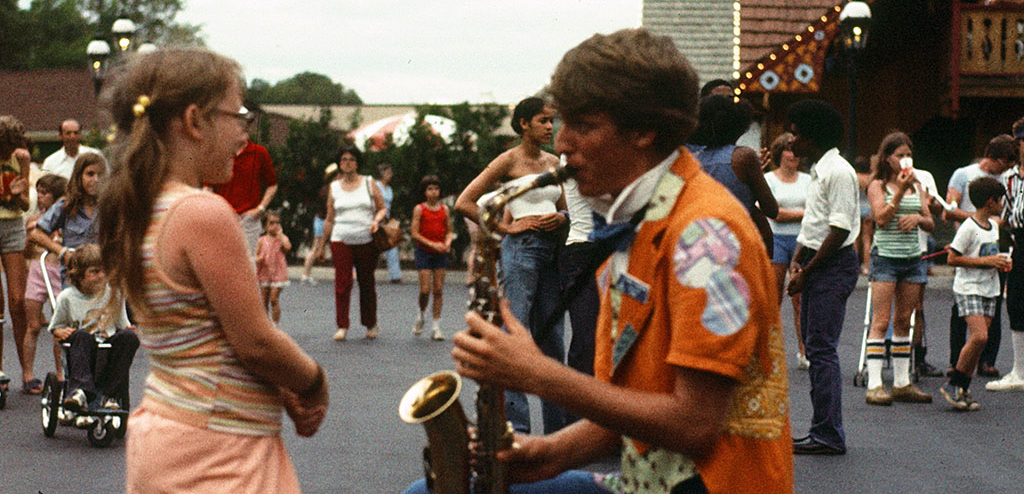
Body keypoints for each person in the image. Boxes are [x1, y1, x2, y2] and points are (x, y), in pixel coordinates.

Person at [406, 28, 793, 494]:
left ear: (644, 131)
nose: (562, 143)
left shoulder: (706, 235)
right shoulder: (638, 219)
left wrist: (539, 374)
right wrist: (550, 452)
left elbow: (693, 424)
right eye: (560, 123)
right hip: (651, 480)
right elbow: (633, 405)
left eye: (583, 126)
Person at [96, 47, 327, 493]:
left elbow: (200, 338)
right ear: (194, 121)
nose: (244, 133)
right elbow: (256, 342)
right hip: (221, 453)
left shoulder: (145, 207)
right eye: (238, 116)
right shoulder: (202, 212)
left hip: (170, 432)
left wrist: (276, 385)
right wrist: (313, 381)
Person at [454, 96, 569, 435]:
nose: (549, 127)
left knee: (552, 337)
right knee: (514, 330)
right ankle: (516, 425)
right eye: (542, 121)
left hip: (553, 249)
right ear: (523, 124)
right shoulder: (508, 160)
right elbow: (465, 202)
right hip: (522, 249)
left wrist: (561, 217)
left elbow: (564, 205)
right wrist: (506, 228)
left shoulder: (553, 162)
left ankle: (556, 427)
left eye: (551, 120)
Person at [786, 99, 859, 455]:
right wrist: (797, 261)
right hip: (817, 262)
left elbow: (839, 230)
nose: (790, 141)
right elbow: (813, 224)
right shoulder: (819, 170)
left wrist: (808, 272)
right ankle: (822, 429)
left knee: (821, 349)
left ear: (811, 137)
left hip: (833, 265)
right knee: (816, 348)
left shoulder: (838, 172)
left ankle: (829, 434)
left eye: (796, 134)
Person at [862, 131, 934, 405]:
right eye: (900, 155)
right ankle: (875, 384)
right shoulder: (877, 185)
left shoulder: (918, 185)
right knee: (881, 321)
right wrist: (900, 192)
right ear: (887, 159)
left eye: (908, 155)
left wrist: (917, 218)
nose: (905, 160)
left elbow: (930, 222)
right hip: (886, 257)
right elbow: (880, 219)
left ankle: (902, 382)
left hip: (912, 258)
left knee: (904, 319)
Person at [944, 135, 1018, 377]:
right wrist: (978, 220)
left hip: (994, 242)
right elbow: (950, 209)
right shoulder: (964, 174)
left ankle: (984, 361)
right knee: (962, 315)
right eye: (1004, 163)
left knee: (991, 312)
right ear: (993, 158)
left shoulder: (1006, 180)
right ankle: (957, 362)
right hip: (969, 243)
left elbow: (1007, 216)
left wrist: (991, 224)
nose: (1006, 169)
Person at [942, 177, 1010, 410]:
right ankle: (953, 384)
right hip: (969, 287)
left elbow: (989, 254)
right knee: (979, 336)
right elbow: (953, 258)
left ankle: (963, 388)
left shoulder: (993, 227)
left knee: (980, 342)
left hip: (989, 288)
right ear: (991, 201)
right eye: (1000, 201)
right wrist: (986, 261)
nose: (1002, 205)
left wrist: (1000, 263)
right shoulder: (969, 227)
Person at [686, 94, 779, 257]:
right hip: (741, 241)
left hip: (705, 246)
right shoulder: (744, 156)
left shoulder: (692, 161)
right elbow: (771, 209)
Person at [48, 245, 137, 414]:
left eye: (104, 271)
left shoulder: (114, 294)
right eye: (95, 272)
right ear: (79, 275)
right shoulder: (67, 298)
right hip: (81, 345)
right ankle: (81, 391)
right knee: (82, 335)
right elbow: (56, 327)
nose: (101, 276)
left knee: (129, 337)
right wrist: (60, 332)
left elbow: (122, 324)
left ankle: (111, 394)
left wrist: (129, 330)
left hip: (107, 345)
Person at [323, 144, 386, 341]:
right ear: (339, 163)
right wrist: (321, 244)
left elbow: (382, 208)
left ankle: (370, 323)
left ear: (358, 163)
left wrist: (376, 221)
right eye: (344, 159)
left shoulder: (368, 182)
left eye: (352, 159)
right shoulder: (334, 187)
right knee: (342, 284)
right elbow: (329, 218)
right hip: (340, 239)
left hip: (366, 239)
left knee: (367, 283)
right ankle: (342, 325)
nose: (348, 163)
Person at [764, 132, 811, 369]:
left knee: (800, 300)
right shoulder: (769, 179)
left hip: (802, 241)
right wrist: (803, 213)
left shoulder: (808, 180)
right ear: (779, 154)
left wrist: (792, 213)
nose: (793, 155)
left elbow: (815, 210)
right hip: (776, 240)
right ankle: (770, 351)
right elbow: (774, 213)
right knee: (774, 300)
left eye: (795, 151)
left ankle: (804, 351)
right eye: (788, 150)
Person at [19, 173, 67, 393]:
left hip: (58, 272)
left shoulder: (64, 221)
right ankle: (27, 374)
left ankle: (61, 373)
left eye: (45, 193)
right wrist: (30, 239)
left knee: (60, 326)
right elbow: (26, 253)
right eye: (38, 192)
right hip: (38, 271)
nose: (40, 197)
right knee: (33, 326)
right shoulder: (34, 220)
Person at [30, 152, 105, 285]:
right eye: (90, 174)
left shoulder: (108, 207)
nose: (96, 180)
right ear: (79, 176)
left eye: (100, 175)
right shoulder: (66, 206)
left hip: (103, 275)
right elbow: (36, 233)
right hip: (74, 276)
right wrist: (62, 252)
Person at [988, 117, 1024, 392]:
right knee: (1016, 302)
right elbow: (1006, 216)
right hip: (1020, 240)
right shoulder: (1009, 178)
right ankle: (1019, 371)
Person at [0, 115, 31, 396]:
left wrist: (20, 193)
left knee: (18, 300)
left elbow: (25, 204)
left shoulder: (21, 158)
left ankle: (27, 371)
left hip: (12, 227)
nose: (9, 152)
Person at [209, 134, 277, 259]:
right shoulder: (220, 152)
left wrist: (260, 209)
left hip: (248, 220)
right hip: (223, 218)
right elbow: (208, 188)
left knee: (247, 263)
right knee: (220, 262)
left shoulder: (259, 152)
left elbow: (272, 185)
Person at [410, 175, 453, 341]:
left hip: (440, 252)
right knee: (425, 290)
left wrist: (447, 243)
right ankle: (421, 315)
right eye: (430, 189)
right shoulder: (419, 209)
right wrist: (432, 244)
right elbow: (415, 233)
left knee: (438, 289)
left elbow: (449, 231)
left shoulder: (444, 209)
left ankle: (436, 326)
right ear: (424, 191)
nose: (433, 192)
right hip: (424, 252)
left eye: (436, 189)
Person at [301, 163, 337, 285]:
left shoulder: (328, 189)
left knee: (323, 247)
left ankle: (306, 274)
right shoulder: (327, 191)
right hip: (323, 221)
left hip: (323, 220)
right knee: (316, 247)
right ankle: (305, 274)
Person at [257, 210, 291, 324]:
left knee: (274, 298)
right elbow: (256, 256)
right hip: (265, 273)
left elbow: (288, 247)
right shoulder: (261, 240)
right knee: (264, 300)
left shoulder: (282, 238)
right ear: (265, 226)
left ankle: (275, 324)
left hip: (278, 272)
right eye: (271, 223)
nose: (275, 226)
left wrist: (280, 235)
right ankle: (266, 324)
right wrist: (259, 259)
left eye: (277, 223)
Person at [377, 163, 402, 283]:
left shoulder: (389, 189)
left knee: (392, 245)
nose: (390, 175)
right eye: (388, 173)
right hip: (376, 219)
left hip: (386, 220)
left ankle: (395, 275)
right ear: (382, 173)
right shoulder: (376, 186)